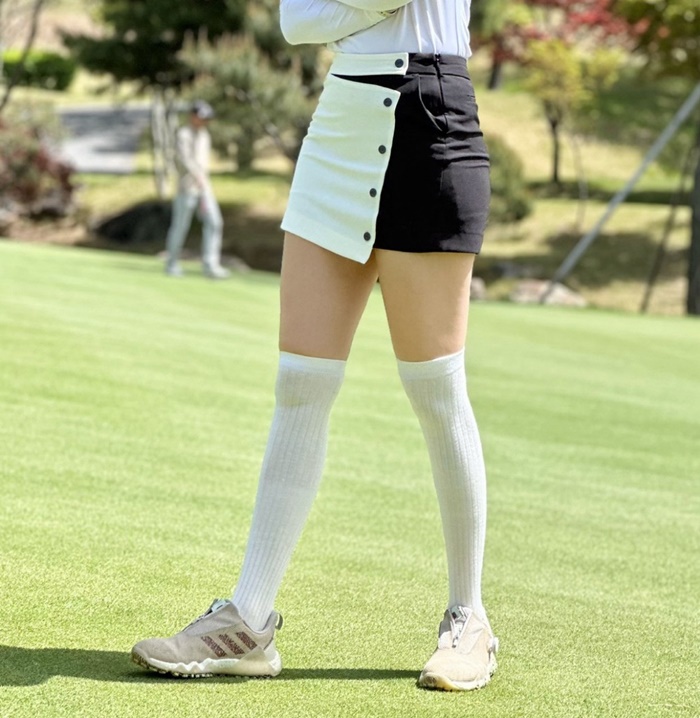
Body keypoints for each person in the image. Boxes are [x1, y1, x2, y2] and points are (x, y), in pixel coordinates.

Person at [132, 0, 498, 692]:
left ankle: (469, 619)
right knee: (300, 383)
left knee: (435, 389)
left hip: (430, 121)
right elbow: (296, 21)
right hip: (340, 125)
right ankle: (248, 620)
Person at [164, 100, 230, 279]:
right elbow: (185, 160)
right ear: (192, 116)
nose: (204, 121)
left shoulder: (204, 135)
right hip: (187, 188)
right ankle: (171, 263)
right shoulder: (183, 134)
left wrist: (203, 180)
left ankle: (210, 265)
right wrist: (197, 176)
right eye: (201, 117)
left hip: (204, 188)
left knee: (215, 222)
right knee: (180, 227)